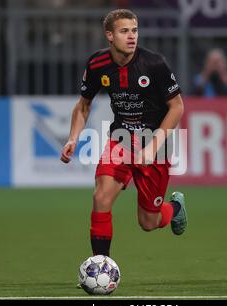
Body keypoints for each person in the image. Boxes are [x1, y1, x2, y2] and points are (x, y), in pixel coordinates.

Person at [60, 9, 188, 259]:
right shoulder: (97, 64)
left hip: (157, 145)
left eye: (134, 30)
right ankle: (101, 266)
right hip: (120, 139)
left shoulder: (154, 64)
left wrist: (152, 146)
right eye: (124, 31)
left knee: (148, 222)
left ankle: (174, 208)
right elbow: (83, 104)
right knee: (101, 197)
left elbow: (177, 106)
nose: (131, 36)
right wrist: (73, 137)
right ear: (109, 35)